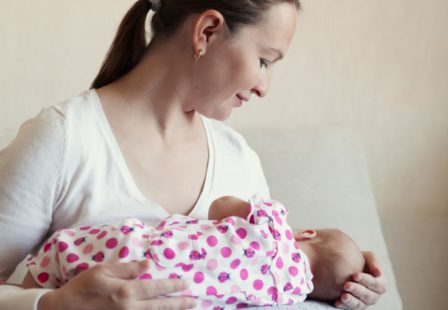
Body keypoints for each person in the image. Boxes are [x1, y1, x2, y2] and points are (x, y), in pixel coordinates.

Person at [0, 0, 386, 309]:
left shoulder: (240, 161)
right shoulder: (63, 139)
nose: (264, 87)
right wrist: (52, 304)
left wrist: (344, 285)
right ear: (207, 31)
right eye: (264, 60)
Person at [22, 196, 365, 309]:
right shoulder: (287, 296)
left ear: (307, 234)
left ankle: (36, 279)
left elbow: (220, 207)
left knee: (62, 251)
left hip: (137, 249)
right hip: (168, 296)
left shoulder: (273, 224)